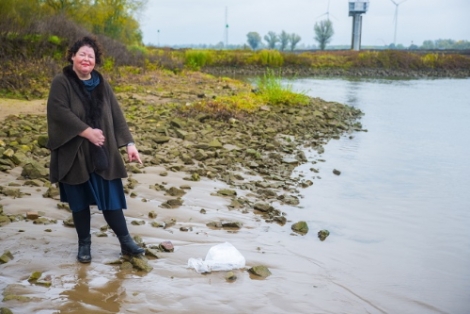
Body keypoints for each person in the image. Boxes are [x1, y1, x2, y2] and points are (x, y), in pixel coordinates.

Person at [46, 36, 145, 263]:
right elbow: (58, 111)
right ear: (72, 56)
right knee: (79, 202)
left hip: (102, 152)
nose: (86, 59)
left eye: (90, 56)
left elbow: (116, 114)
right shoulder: (62, 82)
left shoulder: (101, 83)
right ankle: (84, 246)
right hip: (74, 153)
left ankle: (126, 242)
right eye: (82, 54)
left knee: (111, 197)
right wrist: (86, 131)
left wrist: (129, 144)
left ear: (95, 61)